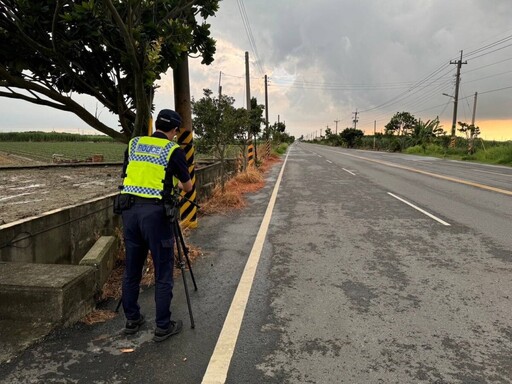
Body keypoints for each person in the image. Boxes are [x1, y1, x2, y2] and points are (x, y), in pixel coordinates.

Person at [119, 109, 192, 342]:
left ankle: (132, 319)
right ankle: (162, 326)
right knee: (163, 271)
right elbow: (187, 186)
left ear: (156, 124)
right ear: (174, 131)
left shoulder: (134, 144)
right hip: (156, 216)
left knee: (132, 269)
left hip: (129, 213)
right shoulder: (173, 150)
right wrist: (174, 187)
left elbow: (127, 175)